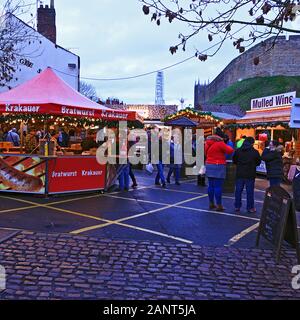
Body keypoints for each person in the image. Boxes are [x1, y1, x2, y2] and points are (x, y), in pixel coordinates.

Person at [205, 128, 234, 211]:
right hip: (218, 165)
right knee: (218, 186)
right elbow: (230, 150)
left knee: (210, 186)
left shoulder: (207, 143)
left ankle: (211, 203)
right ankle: (219, 205)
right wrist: (227, 143)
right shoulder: (220, 143)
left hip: (209, 164)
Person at [233, 137, 261, 213]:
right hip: (250, 173)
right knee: (250, 192)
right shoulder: (255, 152)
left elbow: (234, 160)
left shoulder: (238, 151)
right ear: (252, 143)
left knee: (238, 191)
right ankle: (250, 207)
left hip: (240, 173)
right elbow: (258, 162)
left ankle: (237, 206)